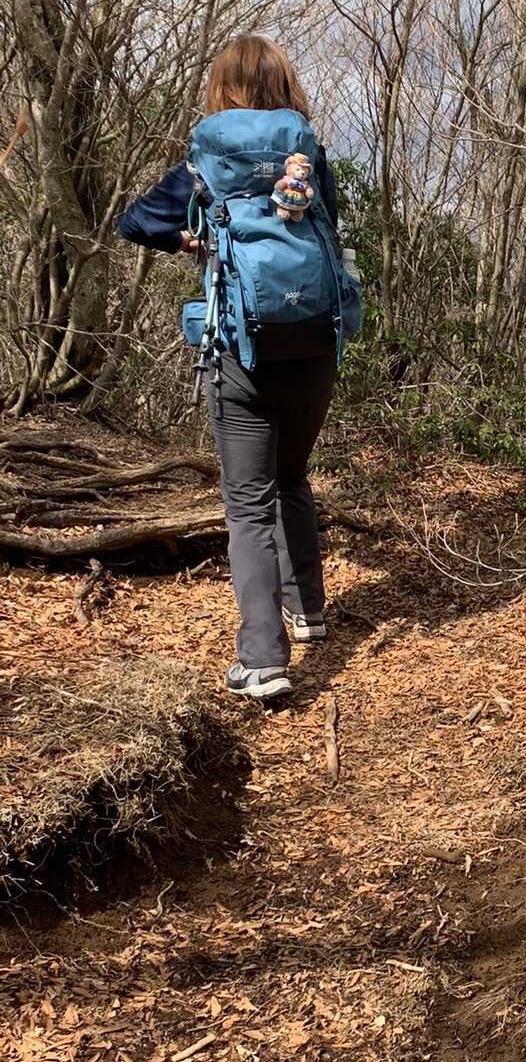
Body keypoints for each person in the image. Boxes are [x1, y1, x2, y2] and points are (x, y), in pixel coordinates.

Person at [118, 35, 345, 702]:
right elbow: (331, 228)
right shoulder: (308, 152)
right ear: (284, 86)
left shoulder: (206, 160)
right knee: (292, 475)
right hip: (313, 341)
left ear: (223, 89)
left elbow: (136, 222)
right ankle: (309, 610)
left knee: (248, 504)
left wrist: (194, 238)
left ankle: (262, 659)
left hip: (240, 345)